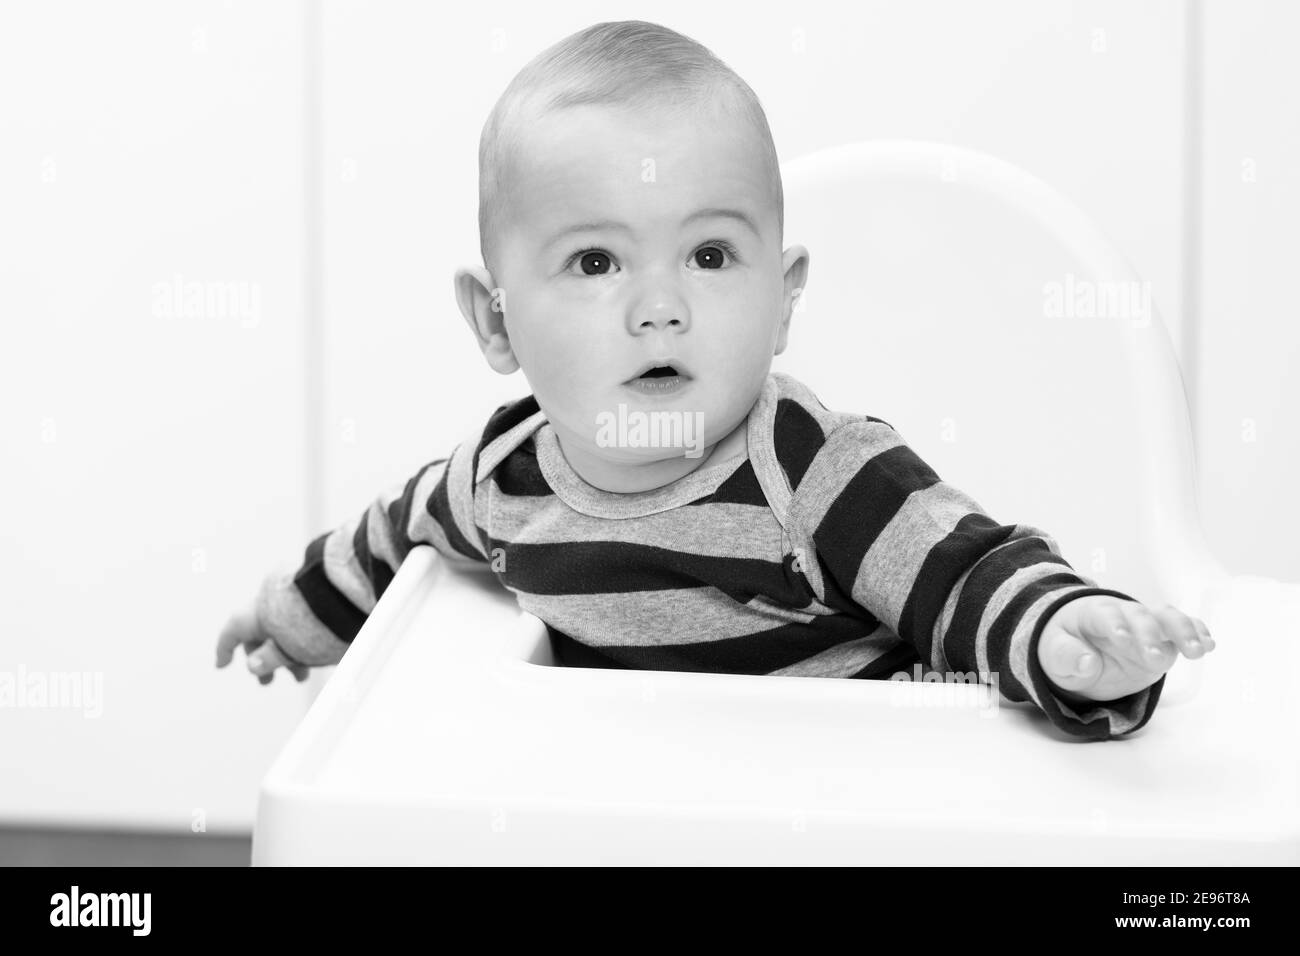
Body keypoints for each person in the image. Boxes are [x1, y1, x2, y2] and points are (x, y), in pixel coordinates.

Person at [216, 20, 1214, 741]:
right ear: (495, 320)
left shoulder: (813, 470)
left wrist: (1062, 639)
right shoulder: (498, 481)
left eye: (708, 256)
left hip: (849, 810)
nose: (661, 307)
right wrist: (288, 618)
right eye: (597, 263)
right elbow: (384, 539)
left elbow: (963, 575)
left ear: (782, 302)